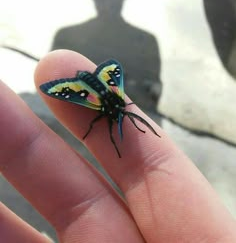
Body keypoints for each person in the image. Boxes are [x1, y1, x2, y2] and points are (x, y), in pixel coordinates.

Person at [0, 50, 236, 242]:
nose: (117, 118)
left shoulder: (112, 105)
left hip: (94, 87)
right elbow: (117, 110)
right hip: (96, 86)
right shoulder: (115, 102)